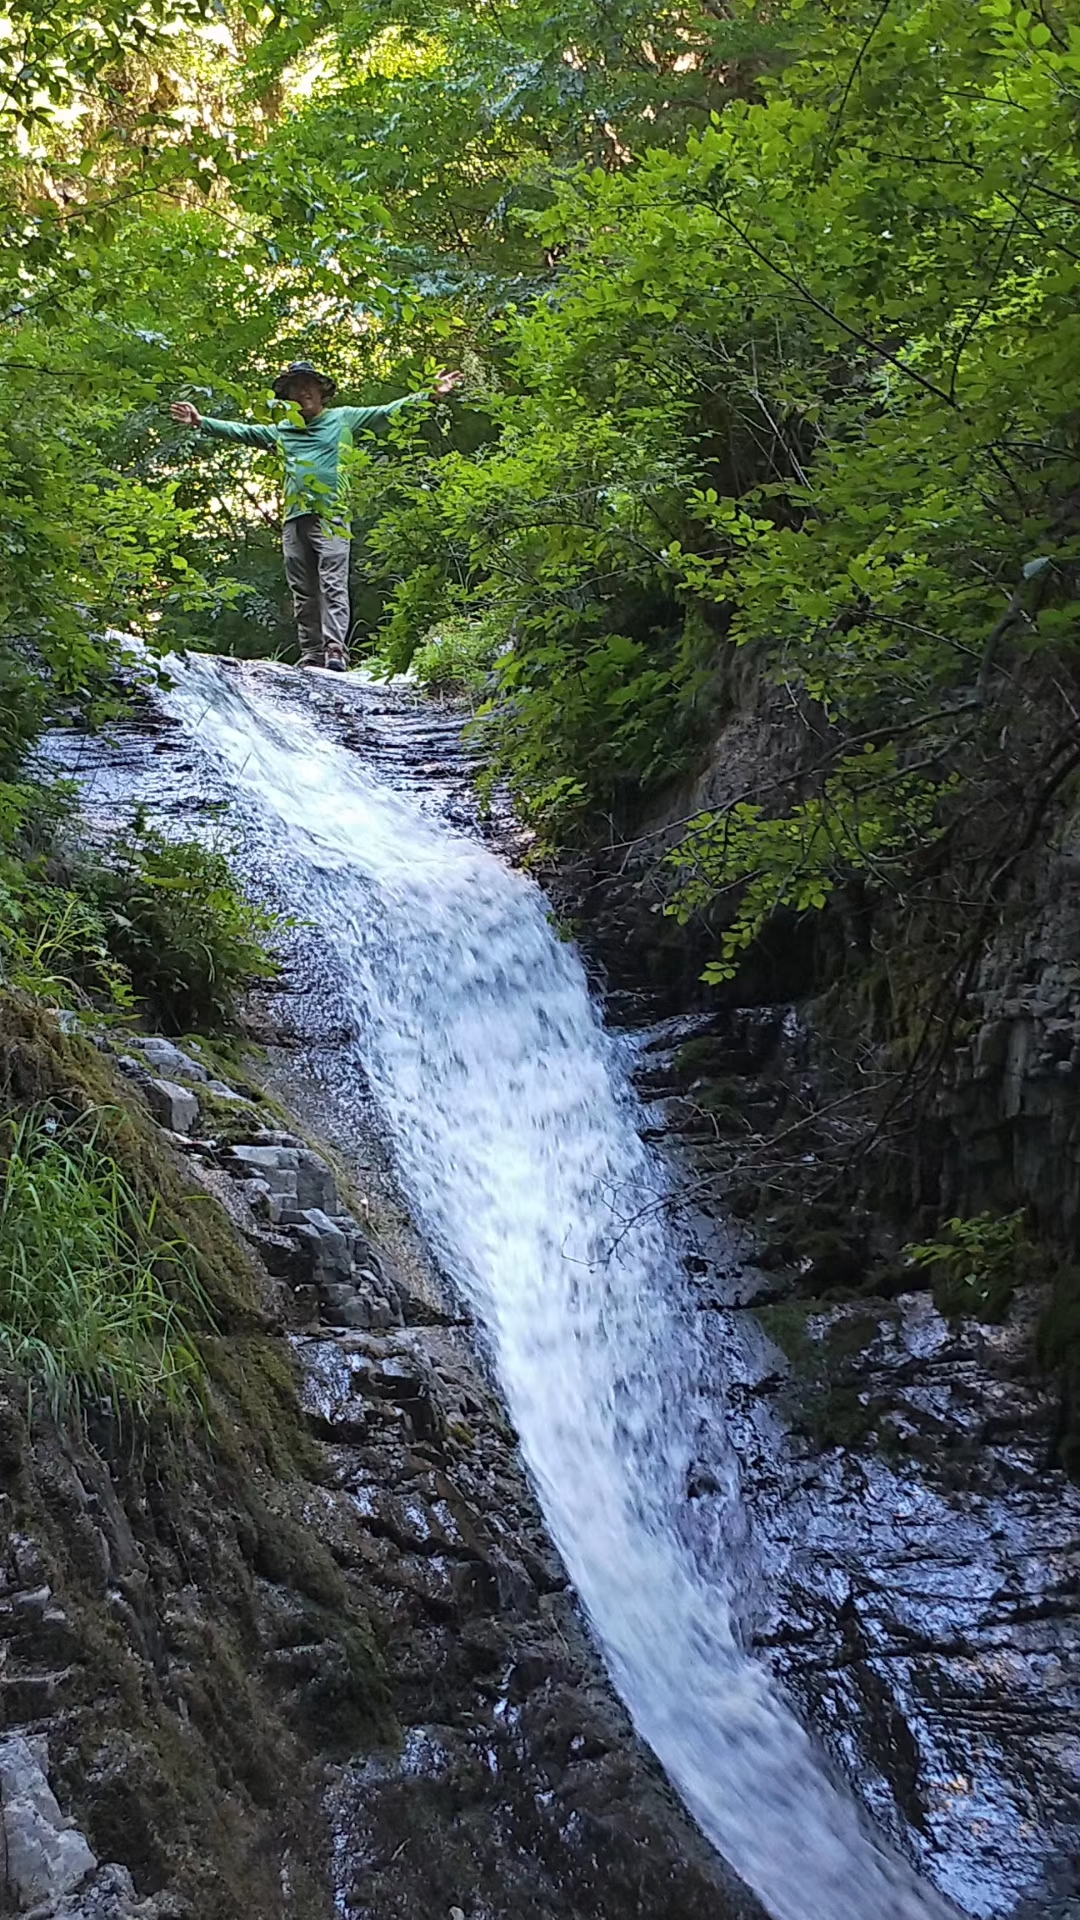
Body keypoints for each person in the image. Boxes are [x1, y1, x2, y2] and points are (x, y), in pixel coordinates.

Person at [171, 361, 463, 671]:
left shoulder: (343, 419)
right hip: (295, 518)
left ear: (322, 391)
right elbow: (244, 432)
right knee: (303, 589)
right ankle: (312, 652)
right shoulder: (283, 431)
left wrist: (430, 394)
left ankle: (335, 648)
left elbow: (388, 411)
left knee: (333, 581)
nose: (302, 392)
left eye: (308, 385)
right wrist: (200, 421)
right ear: (288, 397)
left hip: (332, 514)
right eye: (295, 387)